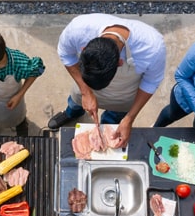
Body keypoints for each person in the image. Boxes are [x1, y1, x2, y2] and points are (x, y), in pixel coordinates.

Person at [47, 14, 167, 148]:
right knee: (75, 103)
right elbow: (65, 54)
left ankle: (108, 126)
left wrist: (129, 119)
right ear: (84, 49)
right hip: (84, 87)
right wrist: (85, 91)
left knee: (113, 121)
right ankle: (71, 114)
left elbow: (151, 82)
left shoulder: (153, 47)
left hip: (124, 94)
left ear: (119, 63)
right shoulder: (78, 29)